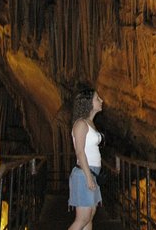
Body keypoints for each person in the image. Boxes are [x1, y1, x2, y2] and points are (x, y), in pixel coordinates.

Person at [68, 88, 104, 230]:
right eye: (97, 98)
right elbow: (80, 152)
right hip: (84, 174)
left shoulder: (90, 124)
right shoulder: (81, 124)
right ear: (88, 103)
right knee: (82, 218)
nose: (101, 101)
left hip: (91, 173)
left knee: (89, 216)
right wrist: (89, 178)